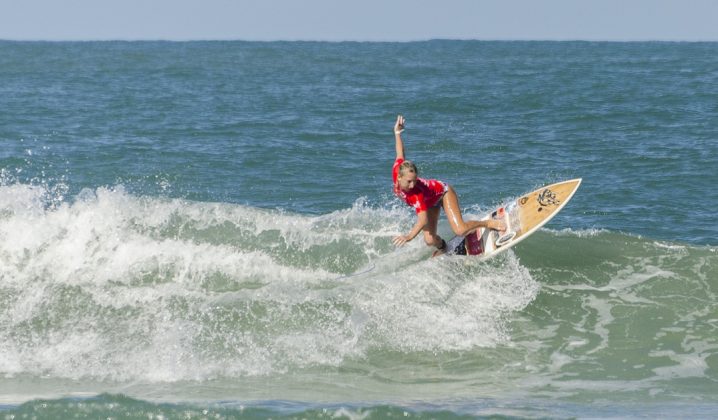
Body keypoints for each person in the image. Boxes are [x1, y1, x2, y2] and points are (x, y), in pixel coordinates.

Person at [391, 115, 505, 254]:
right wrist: (397, 133)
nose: (412, 184)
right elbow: (400, 154)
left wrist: (408, 237)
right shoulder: (397, 168)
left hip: (443, 193)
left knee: (460, 230)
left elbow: (422, 220)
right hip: (430, 202)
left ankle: (486, 223)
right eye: (409, 181)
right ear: (399, 176)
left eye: (415, 180)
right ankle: (444, 248)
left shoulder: (417, 193)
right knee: (430, 240)